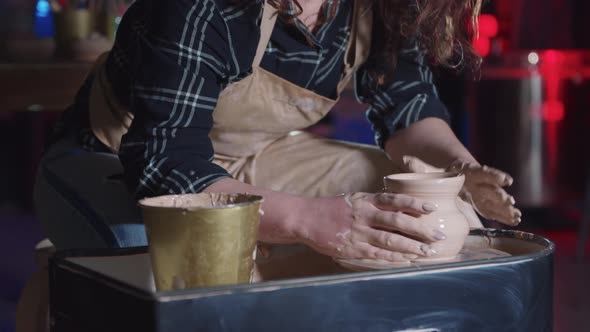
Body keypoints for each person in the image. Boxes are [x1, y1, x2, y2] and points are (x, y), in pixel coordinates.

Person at [34, 0, 521, 262]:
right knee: (162, 259)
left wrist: (457, 169)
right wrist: (307, 222)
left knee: (421, 211)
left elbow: (408, 105)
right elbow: (168, 166)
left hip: (252, 153)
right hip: (115, 157)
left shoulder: (382, 7)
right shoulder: (199, 6)